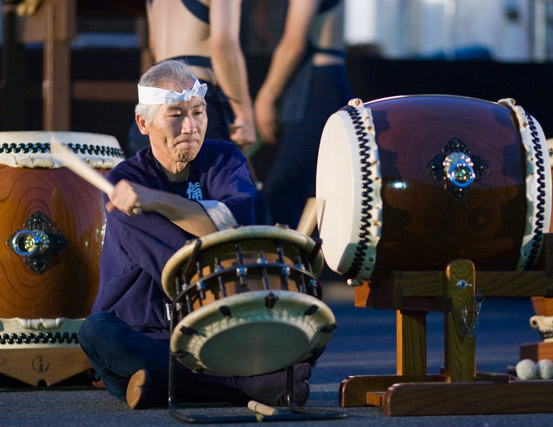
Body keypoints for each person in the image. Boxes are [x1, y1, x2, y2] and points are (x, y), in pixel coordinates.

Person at [78, 60, 310, 410]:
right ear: (144, 123)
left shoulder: (224, 159)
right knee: (96, 332)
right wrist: (206, 224)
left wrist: (157, 201)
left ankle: (163, 386)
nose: (191, 126)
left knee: (309, 324)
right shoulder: (124, 183)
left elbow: (234, 225)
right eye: (176, 114)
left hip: (218, 328)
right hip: (148, 334)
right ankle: (245, 386)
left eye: (198, 112)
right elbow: (186, 265)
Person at [253, 0, 352, 229]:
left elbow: (293, 43)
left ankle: (288, 262)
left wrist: (267, 96)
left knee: (284, 191)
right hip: (314, 82)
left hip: (319, 83)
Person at [126, 0, 256, 156]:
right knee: (223, 177)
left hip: (155, 110)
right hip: (194, 102)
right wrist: (244, 115)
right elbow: (224, 46)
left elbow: (153, 46)